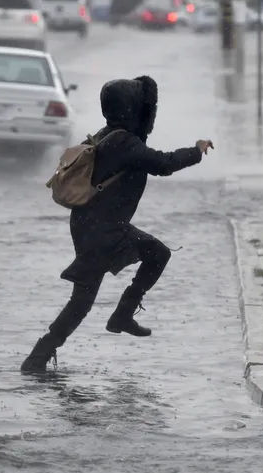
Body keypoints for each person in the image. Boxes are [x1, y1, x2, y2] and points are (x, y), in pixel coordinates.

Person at [20, 75, 214, 373]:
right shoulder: (124, 142)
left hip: (90, 224)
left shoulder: (106, 134)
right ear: (130, 108)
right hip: (103, 228)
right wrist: (196, 151)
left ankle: (40, 356)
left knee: (84, 298)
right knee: (151, 257)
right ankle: (114, 319)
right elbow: (162, 163)